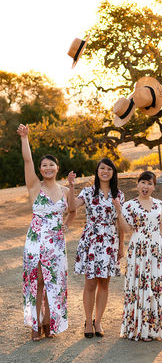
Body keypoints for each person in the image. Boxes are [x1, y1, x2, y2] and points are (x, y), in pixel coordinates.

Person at [17, 124, 75, 341]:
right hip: (35, 240)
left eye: (51, 164)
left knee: (54, 281)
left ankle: (49, 322)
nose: (47, 167)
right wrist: (25, 138)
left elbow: (73, 210)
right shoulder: (34, 186)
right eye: (44, 165)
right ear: (41, 170)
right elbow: (27, 161)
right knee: (38, 280)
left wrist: (66, 225)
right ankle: (35, 325)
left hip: (57, 243)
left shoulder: (66, 190)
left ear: (56, 168)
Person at [70, 158, 125, 338]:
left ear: (113, 173)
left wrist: (121, 247)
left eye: (109, 169)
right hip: (91, 240)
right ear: (97, 170)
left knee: (104, 282)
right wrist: (71, 186)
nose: (105, 171)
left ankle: (98, 321)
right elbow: (71, 207)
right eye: (102, 168)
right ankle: (87, 320)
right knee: (90, 282)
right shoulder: (88, 191)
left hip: (110, 241)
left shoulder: (119, 195)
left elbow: (120, 222)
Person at [117, 171, 162, 341]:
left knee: (155, 284)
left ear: (154, 186)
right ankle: (138, 328)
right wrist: (119, 211)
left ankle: (154, 329)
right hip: (138, 247)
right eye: (143, 183)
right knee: (139, 284)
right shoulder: (130, 205)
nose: (146, 187)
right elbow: (126, 229)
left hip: (156, 248)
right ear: (137, 184)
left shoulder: (159, 204)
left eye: (149, 184)